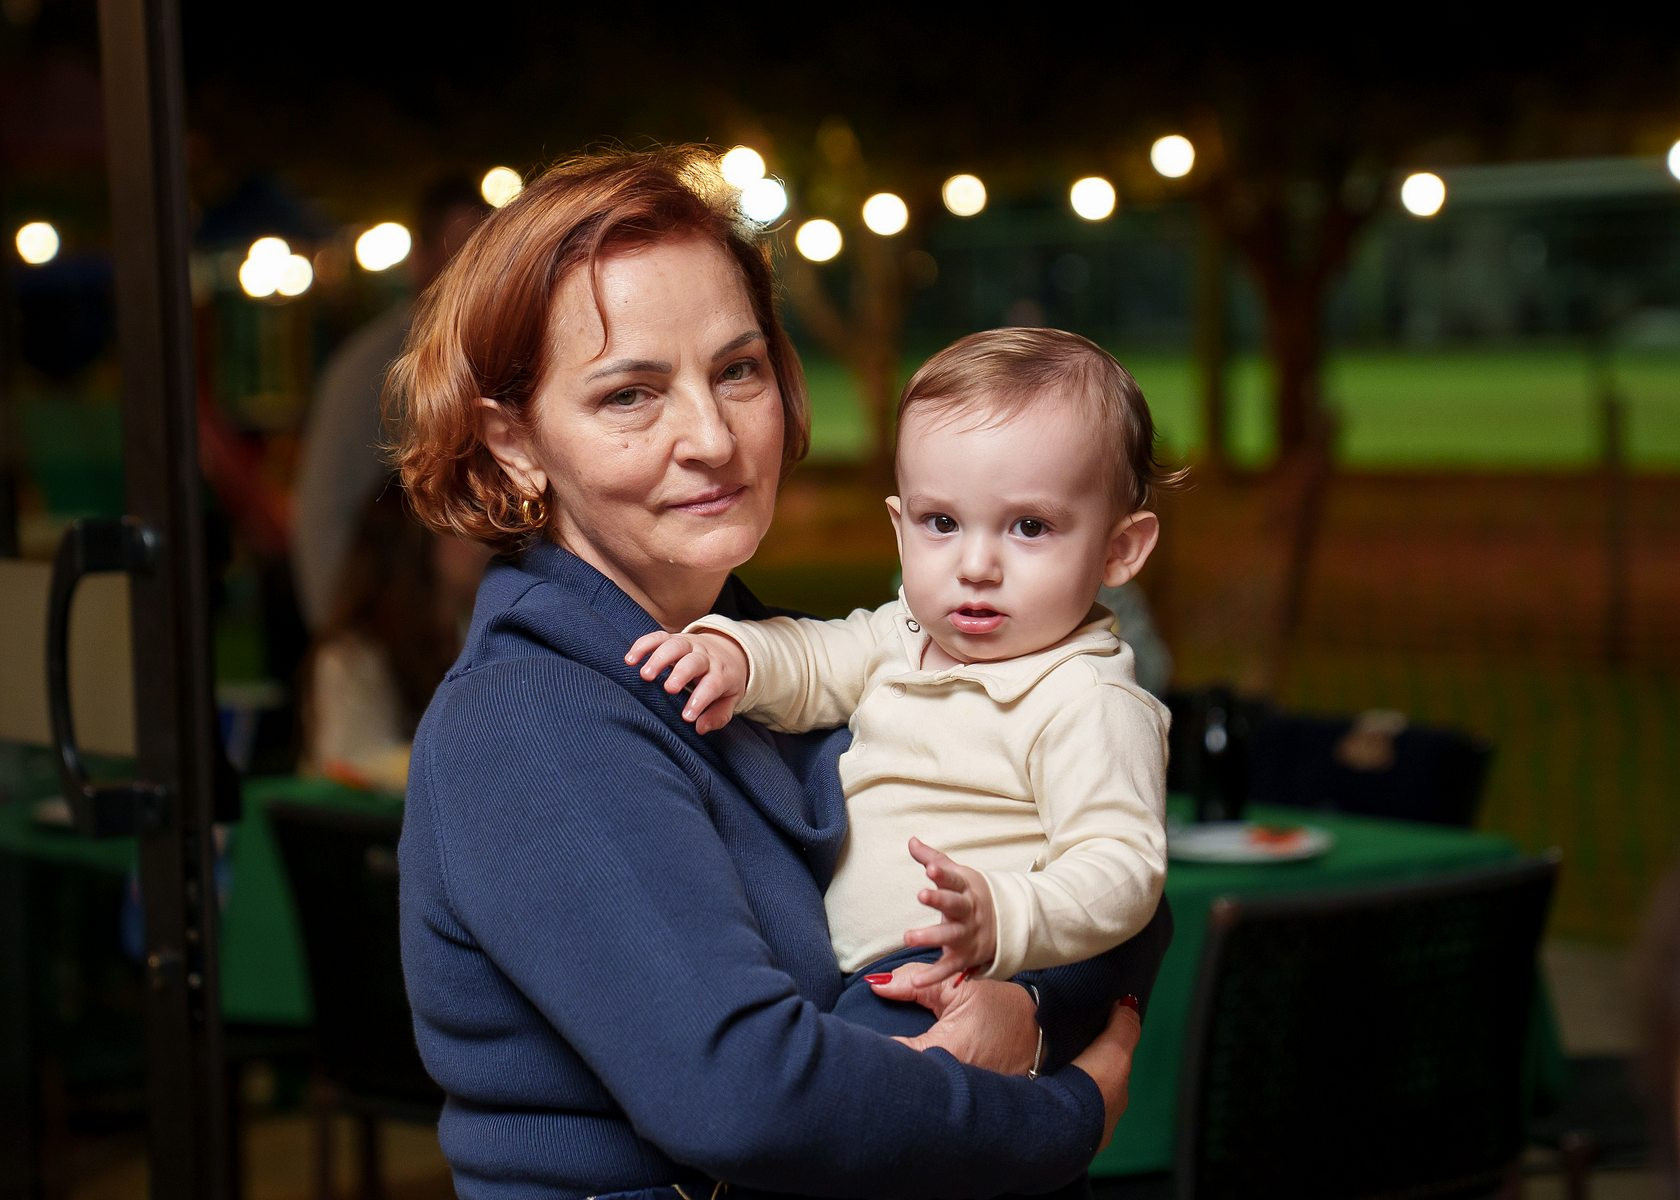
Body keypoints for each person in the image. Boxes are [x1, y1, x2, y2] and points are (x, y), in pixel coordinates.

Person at [388, 146, 1170, 1200]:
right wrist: (1061, 1113)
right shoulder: (531, 719)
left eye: (737, 370)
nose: (712, 438)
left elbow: (1111, 870)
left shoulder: (773, 656)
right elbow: (744, 1095)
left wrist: (1030, 1009)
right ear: (515, 443)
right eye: (631, 394)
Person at [629, 328, 1173, 992]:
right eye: (941, 523)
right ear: (899, 527)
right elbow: (813, 657)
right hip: (848, 976)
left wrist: (1003, 916)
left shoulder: (1088, 699)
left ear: (1119, 550)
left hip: (961, 973)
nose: (976, 566)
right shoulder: (900, 634)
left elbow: (1121, 868)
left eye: (1029, 527)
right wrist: (733, 654)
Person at [291, 176, 489, 631]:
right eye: (454, 252)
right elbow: (324, 513)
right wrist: (347, 638)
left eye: (480, 253)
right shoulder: (371, 369)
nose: (467, 272)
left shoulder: (494, 355)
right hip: (398, 632)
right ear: (420, 261)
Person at [298, 480, 486, 791]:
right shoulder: (349, 659)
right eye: (460, 519)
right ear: (415, 542)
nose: (485, 536)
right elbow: (349, 773)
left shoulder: (476, 634)